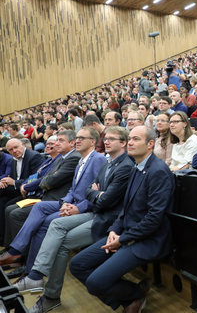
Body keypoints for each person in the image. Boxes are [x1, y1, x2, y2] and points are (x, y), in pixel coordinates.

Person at [15, 126, 133, 313]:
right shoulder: (106, 163)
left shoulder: (120, 164)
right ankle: (42, 285)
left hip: (106, 219)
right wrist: (86, 196)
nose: (107, 141)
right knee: (56, 230)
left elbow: (104, 199)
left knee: (54, 227)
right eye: (106, 138)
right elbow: (89, 190)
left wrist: (91, 196)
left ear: (123, 143)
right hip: (94, 211)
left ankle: (40, 281)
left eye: (112, 138)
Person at [69, 126, 175, 312]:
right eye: (130, 139)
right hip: (126, 234)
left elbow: (154, 218)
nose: (131, 143)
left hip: (147, 240)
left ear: (150, 144)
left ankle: (135, 293)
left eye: (136, 139)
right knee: (77, 265)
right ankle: (130, 298)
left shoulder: (158, 171)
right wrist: (114, 230)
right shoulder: (136, 167)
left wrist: (122, 239)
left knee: (95, 282)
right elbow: (125, 208)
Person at [0, 127, 106, 272]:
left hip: (79, 206)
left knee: (35, 219)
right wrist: (65, 202)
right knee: (29, 208)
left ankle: (32, 270)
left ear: (93, 141)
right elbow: (72, 189)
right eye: (77, 138)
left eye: (60, 140)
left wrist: (75, 206)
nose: (55, 144)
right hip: (65, 200)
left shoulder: (94, 159)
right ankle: (15, 250)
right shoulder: (80, 159)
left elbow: (96, 191)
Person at [0, 138, 45, 244]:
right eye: (10, 150)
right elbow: (11, 178)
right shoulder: (13, 160)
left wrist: (15, 182)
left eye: (16, 147)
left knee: (8, 207)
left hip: (32, 193)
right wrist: (6, 181)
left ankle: (12, 245)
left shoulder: (34, 156)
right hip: (18, 191)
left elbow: (35, 180)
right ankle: (4, 241)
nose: (14, 151)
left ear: (23, 145)